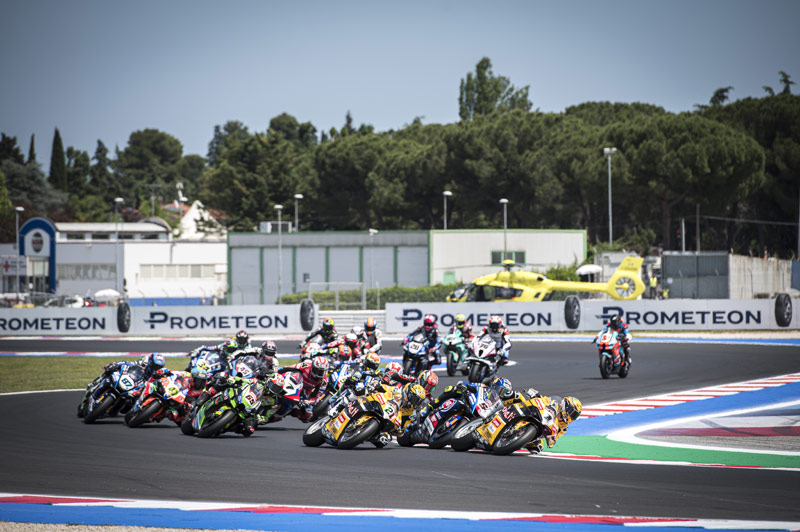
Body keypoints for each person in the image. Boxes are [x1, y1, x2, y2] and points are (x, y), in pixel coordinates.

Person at [277, 355, 329, 421]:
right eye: (317, 370)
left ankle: (290, 411)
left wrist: (308, 402)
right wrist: (275, 372)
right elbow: (288, 367)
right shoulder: (305, 366)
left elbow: (317, 398)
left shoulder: (324, 382)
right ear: (312, 367)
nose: (318, 374)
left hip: (304, 392)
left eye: (321, 372)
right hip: (295, 382)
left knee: (308, 416)